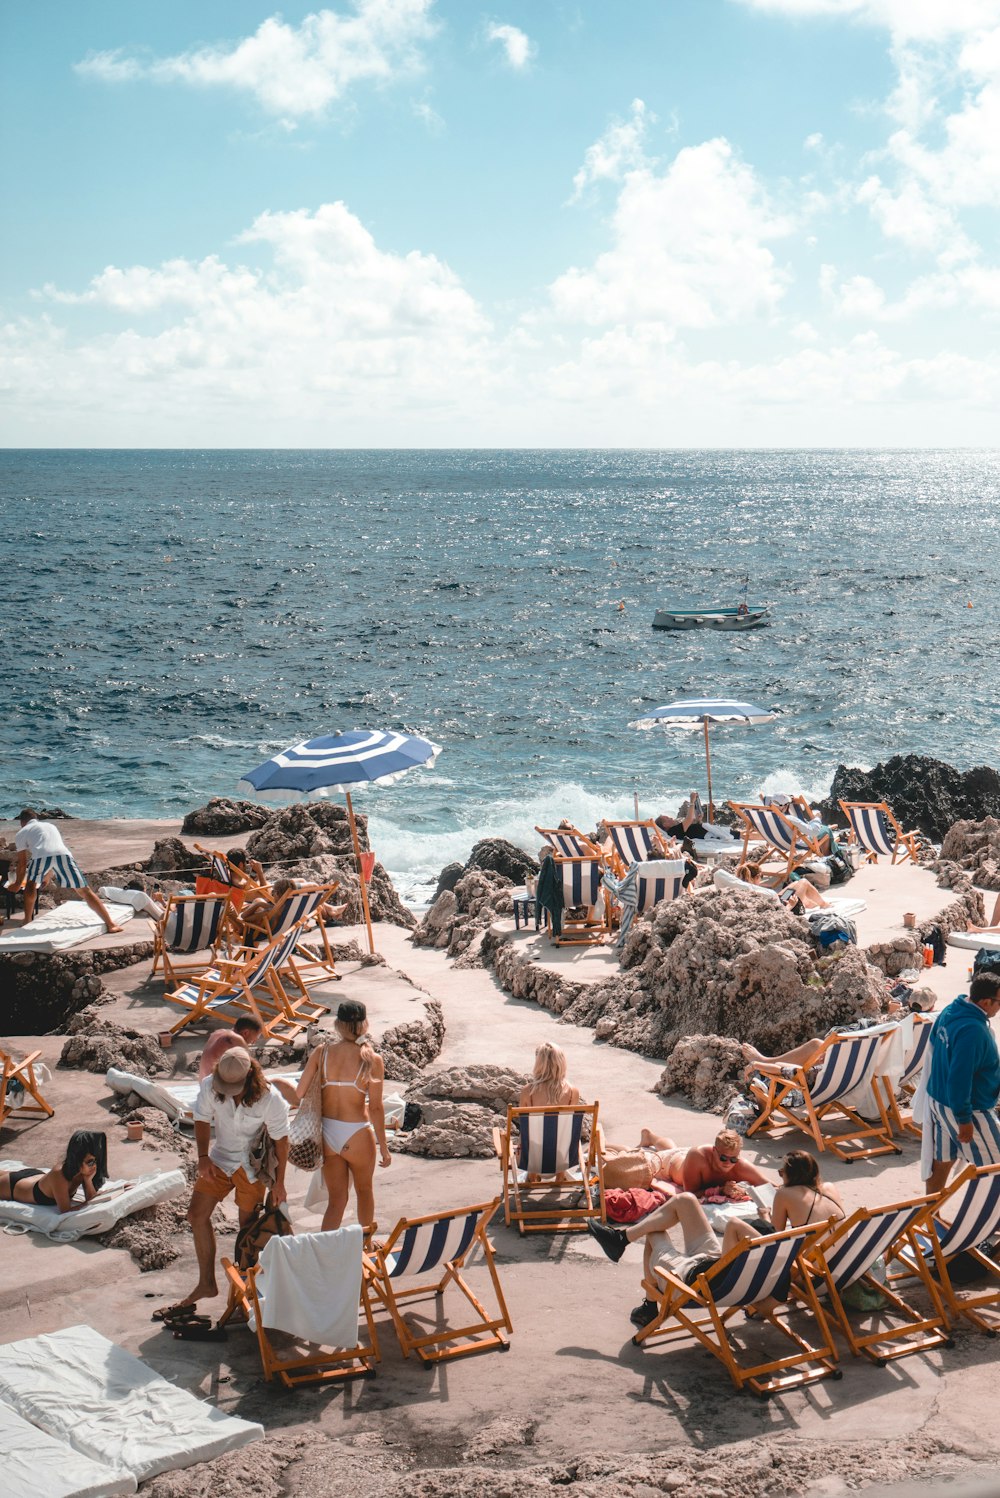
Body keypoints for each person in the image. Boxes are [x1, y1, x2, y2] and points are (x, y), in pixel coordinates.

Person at [180, 1049, 290, 1310]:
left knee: (247, 1230)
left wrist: (279, 1182)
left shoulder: (269, 1099)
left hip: (251, 1165)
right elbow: (201, 1118)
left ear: (250, 1076)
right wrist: (203, 1155)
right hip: (219, 1159)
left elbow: (281, 1141)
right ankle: (207, 1282)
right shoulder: (210, 1086)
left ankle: (243, 1294)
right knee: (196, 1215)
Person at [587, 1190, 772, 1327]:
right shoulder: (779, 1264)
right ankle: (620, 1239)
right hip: (716, 1263)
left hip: (696, 1279)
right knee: (686, 1200)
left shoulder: (759, 1256)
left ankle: (649, 1307)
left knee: (654, 1230)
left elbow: (734, 1224)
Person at [282, 1000, 390, 1232]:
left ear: (338, 1025)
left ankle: (325, 1252)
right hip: (357, 1133)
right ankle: (366, 1247)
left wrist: (274, 1082)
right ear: (364, 1024)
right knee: (364, 1191)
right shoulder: (372, 1060)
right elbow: (376, 1109)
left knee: (337, 1201)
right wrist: (384, 1146)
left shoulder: (322, 1053)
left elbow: (298, 1094)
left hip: (328, 1134)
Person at [923, 971, 1000, 1194]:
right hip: (968, 1110)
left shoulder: (951, 1010)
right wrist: (964, 1119)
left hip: (938, 1101)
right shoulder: (973, 1030)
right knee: (994, 1167)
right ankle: (983, 1218)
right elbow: (960, 1077)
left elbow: (934, 1043)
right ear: (986, 1002)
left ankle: (929, 1212)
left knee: (943, 1160)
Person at [11, 809, 122, 932]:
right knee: (85, 890)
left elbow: (22, 863)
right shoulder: (50, 826)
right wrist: (47, 876)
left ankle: (27, 920)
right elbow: (52, 850)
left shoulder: (22, 832)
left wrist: (16, 884)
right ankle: (111, 924)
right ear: (36, 818)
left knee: (30, 886)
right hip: (63, 855)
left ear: (22, 822)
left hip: (40, 857)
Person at [604, 1126, 771, 1195]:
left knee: (672, 1149)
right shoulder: (698, 1156)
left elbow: (769, 1186)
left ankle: (650, 1137)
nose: (728, 1162)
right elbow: (690, 1193)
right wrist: (720, 1190)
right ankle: (604, 1143)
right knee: (637, 1155)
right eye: (723, 1158)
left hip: (681, 1158)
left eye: (733, 1158)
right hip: (667, 1165)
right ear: (714, 1152)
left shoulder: (739, 1165)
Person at [0, 1130, 108, 1212]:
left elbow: (90, 1198)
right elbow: (65, 1211)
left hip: (34, 1177)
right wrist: (89, 1202)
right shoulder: (59, 1174)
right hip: (11, 1186)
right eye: (90, 1162)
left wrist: (88, 1180)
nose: (93, 1166)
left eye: (95, 1161)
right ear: (78, 1160)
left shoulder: (82, 1172)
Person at [769, 1150, 844, 1230]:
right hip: (842, 1241)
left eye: (782, 1172)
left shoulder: (783, 1194)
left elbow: (775, 1233)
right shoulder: (830, 1187)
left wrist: (765, 1216)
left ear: (791, 1175)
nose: (782, 1176)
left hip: (813, 1242)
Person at [736, 861, 829, 911]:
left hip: (779, 900)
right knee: (803, 882)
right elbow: (776, 913)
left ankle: (808, 903)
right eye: (761, 876)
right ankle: (824, 904)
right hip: (782, 905)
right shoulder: (756, 892)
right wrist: (790, 905)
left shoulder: (741, 886)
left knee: (796, 884)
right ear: (756, 877)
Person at [198, 1016, 263, 1080]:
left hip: (204, 1085)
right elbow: (253, 1071)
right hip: (214, 1088)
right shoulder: (237, 1040)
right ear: (246, 1032)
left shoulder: (218, 1032)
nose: (254, 1042)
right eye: (256, 1036)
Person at [519, 1042, 582, 1107]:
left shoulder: (528, 1091)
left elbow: (523, 1116)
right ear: (561, 1063)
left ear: (538, 1064)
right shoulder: (573, 1092)